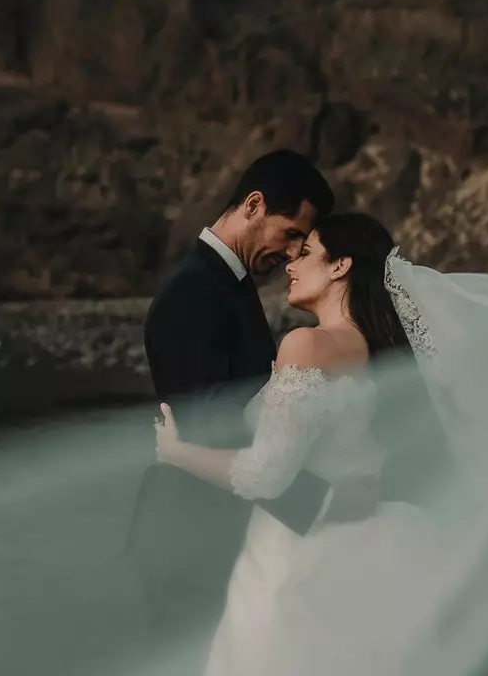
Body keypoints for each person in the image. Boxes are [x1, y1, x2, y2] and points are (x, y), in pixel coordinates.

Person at [152, 211, 488, 675]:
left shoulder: (305, 345)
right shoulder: (378, 355)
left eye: (306, 252)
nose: (291, 262)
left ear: (341, 267)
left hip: (300, 563)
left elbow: (266, 474)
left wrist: (178, 452)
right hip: (377, 541)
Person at [125, 149, 354, 661]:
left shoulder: (228, 285)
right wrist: (323, 502)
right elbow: (208, 430)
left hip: (222, 539)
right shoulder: (194, 293)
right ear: (253, 205)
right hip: (188, 545)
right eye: (291, 233)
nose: (294, 252)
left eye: (303, 241)